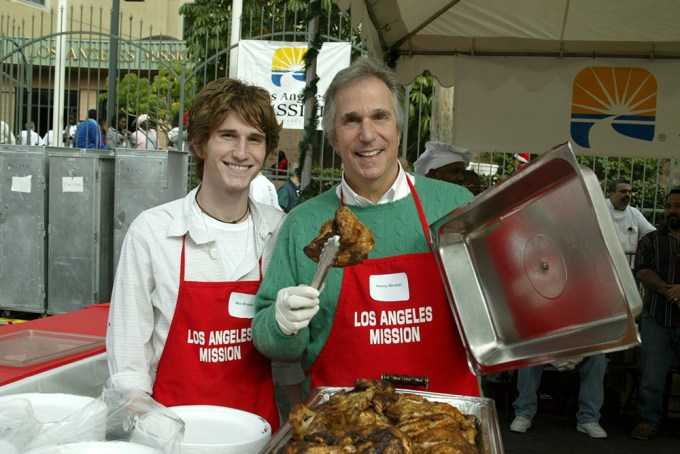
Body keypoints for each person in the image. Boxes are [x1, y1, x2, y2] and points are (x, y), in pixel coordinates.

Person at [252, 58, 478, 397]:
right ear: (332, 137)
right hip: (343, 428)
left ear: (398, 129)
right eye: (351, 120)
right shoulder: (303, 224)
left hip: (446, 418)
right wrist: (283, 324)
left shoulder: (454, 206)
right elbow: (274, 343)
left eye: (380, 116)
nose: (367, 134)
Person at [106, 77, 285, 430]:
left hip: (259, 434)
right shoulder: (154, 232)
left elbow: (288, 356)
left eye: (255, 139)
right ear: (199, 144)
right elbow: (129, 365)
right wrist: (153, 433)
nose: (242, 152)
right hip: (174, 434)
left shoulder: (279, 231)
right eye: (228, 135)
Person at [630, 188, 680, 440]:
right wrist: (669, 290)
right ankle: (647, 421)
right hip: (656, 318)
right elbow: (641, 270)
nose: (672, 210)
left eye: (677, 205)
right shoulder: (650, 240)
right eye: (669, 206)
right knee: (651, 378)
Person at [510, 356, 609, 438]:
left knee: (598, 358)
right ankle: (524, 414)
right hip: (544, 351)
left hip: (578, 353)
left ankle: (589, 418)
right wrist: (553, 357)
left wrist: (578, 357)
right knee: (528, 355)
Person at [606, 178, 656, 268]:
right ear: (611, 194)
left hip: (629, 267)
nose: (628, 195)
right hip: (606, 266)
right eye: (623, 191)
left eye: (629, 192)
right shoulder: (599, 209)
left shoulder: (634, 213)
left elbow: (651, 234)